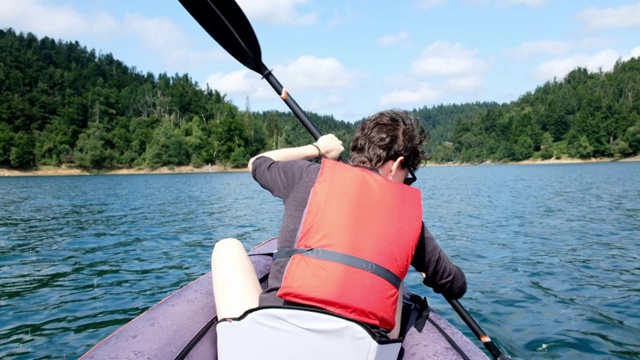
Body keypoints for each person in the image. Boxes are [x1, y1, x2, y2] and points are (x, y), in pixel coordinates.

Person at [211, 109, 467, 358]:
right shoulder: (407, 218)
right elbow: (454, 285)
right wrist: (421, 263)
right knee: (395, 280)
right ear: (397, 164)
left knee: (227, 247)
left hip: (271, 341)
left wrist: (319, 149)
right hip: (360, 351)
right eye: (408, 176)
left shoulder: (307, 175)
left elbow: (258, 162)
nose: (406, 182)